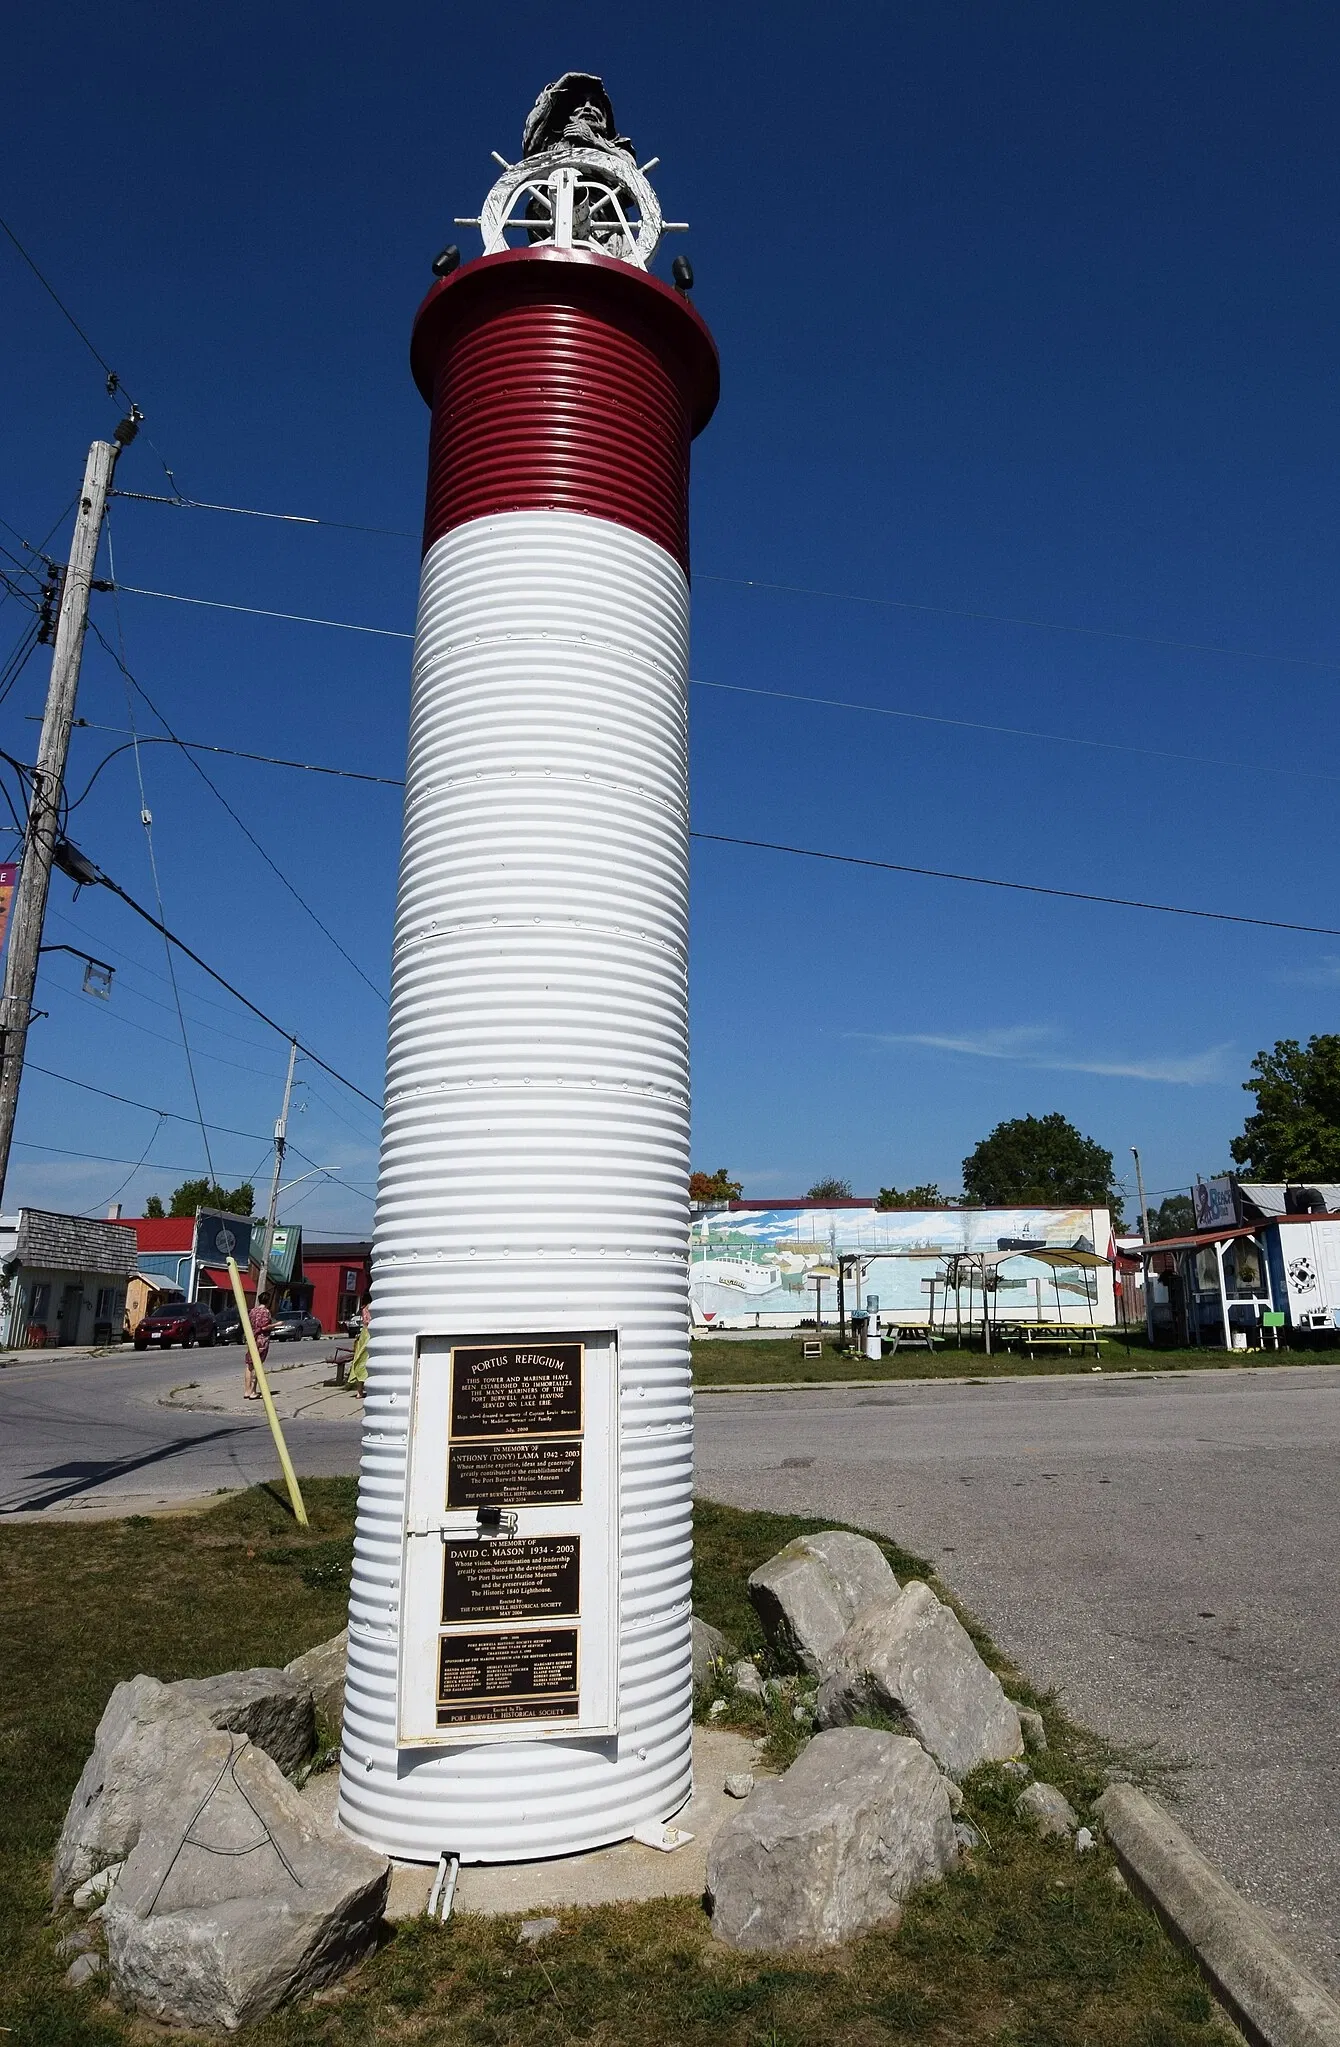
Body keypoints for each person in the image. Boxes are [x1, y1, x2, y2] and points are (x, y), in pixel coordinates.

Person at [245, 1293, 273, 1401]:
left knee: (249, 1364)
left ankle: (247, 1390)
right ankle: (253, 1391)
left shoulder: (252, 1311)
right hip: (261, 1339)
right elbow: (264, 1327)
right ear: (268, 1301)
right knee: (258, 1364)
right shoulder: (266, 1312)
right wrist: (276, 1325)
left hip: (252, 1338)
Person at [347, 1299, 370, 1397]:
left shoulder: (364, 1308)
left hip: (364, 1335)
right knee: (366, 1362)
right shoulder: (373, 1307)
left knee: (360, 1361)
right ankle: (362, 1390)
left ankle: (359, 1391)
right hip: (370, 1335)